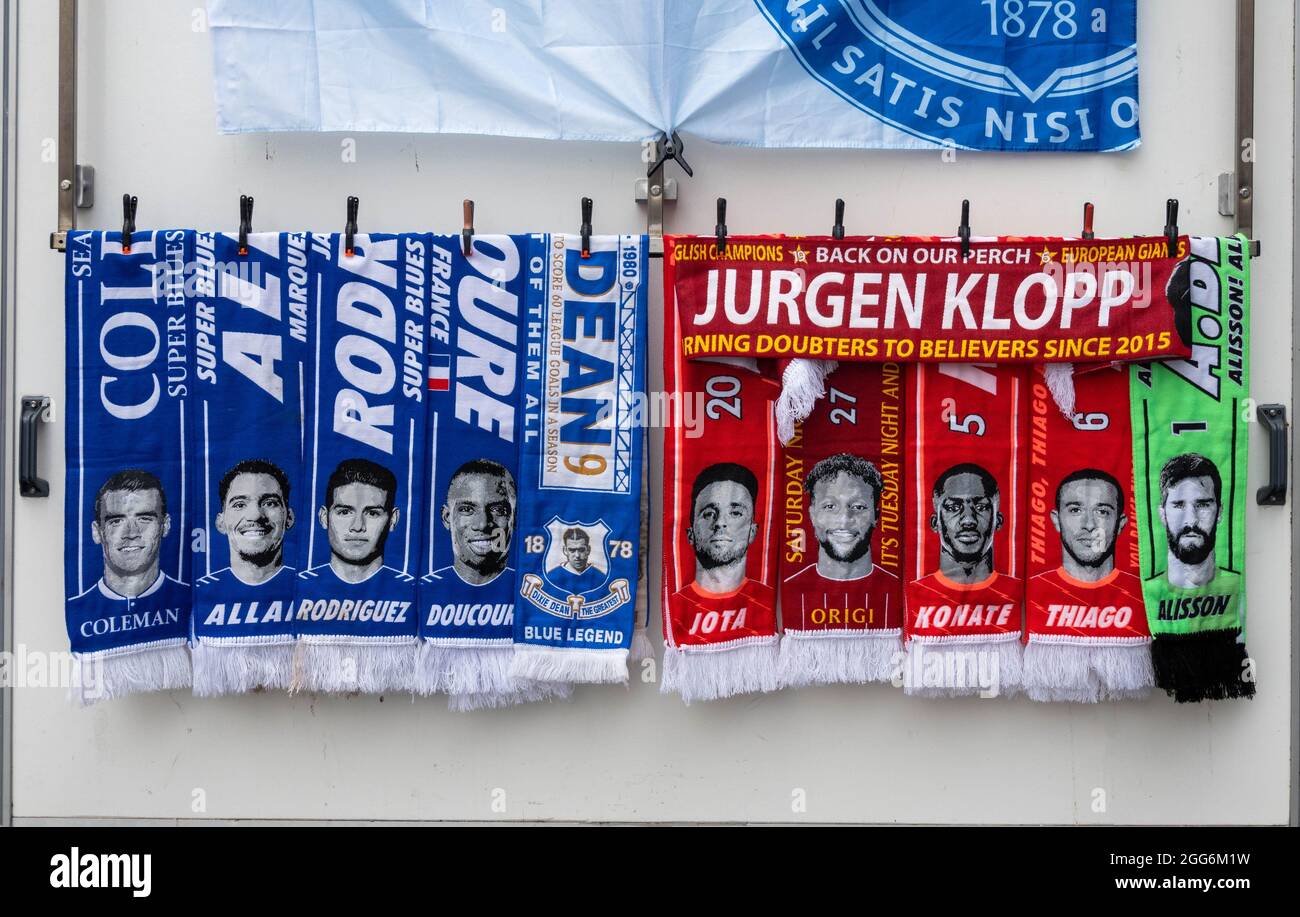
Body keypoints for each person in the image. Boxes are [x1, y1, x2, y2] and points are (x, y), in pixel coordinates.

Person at [782, 452, 898, 628]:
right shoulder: (791, 589)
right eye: (830, 506)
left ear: (877, 515)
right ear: (812, 515)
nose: (844, 520)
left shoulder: (896, 589)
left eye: (858, 507)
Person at [1029, 468, 1143, 632]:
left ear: (1121, 523)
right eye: (1075, 510)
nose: (1089, 525)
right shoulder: (1037, 589)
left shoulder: (1139, 594)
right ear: (1056, 520)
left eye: (1102, 512)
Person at [671, 462, 775, 638]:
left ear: (753, 531)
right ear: (690, 533)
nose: (719, 523)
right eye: (709, 513)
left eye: (735, 513)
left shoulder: (767, 601)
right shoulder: (674, 606)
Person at [68, 469, 188, 621]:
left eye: (144, 519)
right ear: (97, 532)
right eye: (116, 521)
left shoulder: (189, 599)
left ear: (165, 525)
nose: (131, 533)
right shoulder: (78, 609)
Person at [909, 463, 1020, 611]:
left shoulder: (1016, 592)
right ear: (935, 523)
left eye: (981, 507)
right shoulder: (916, 596)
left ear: (998, 521)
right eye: (953, 508)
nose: (968, 520)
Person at [302, 458, 411, 587]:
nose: (357, 526)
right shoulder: (302, 585)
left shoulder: (409, 589)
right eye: (345, 512)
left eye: (372, 513)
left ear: (393, 519)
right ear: (324, 517)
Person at [198, 458, 295, 588]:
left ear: (289, 518)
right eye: (239, 505)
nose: (255, 516)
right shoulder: (202, 591)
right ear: (221, 523)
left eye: (269, 503)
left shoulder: (306, 588)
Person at [1158, 453, 1240, 591]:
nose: (1191, 521)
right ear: (1163, 514)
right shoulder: (1142, 592)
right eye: (1178, 505)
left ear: (1219, 512)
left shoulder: (1239, 591)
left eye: (1202, 505)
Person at [434, 458, 515, 587]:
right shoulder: (425, 588)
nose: (482, 524)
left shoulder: (530, 587)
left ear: (514, 518)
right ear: (447, 517)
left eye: (498, 510)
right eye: (467, 509)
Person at [546, 527, 603, 594]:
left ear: (588, 550)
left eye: (581, 550)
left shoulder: (600, 577)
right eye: (572, 550)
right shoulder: (551, 577)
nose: (577, 555)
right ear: (565, 550)